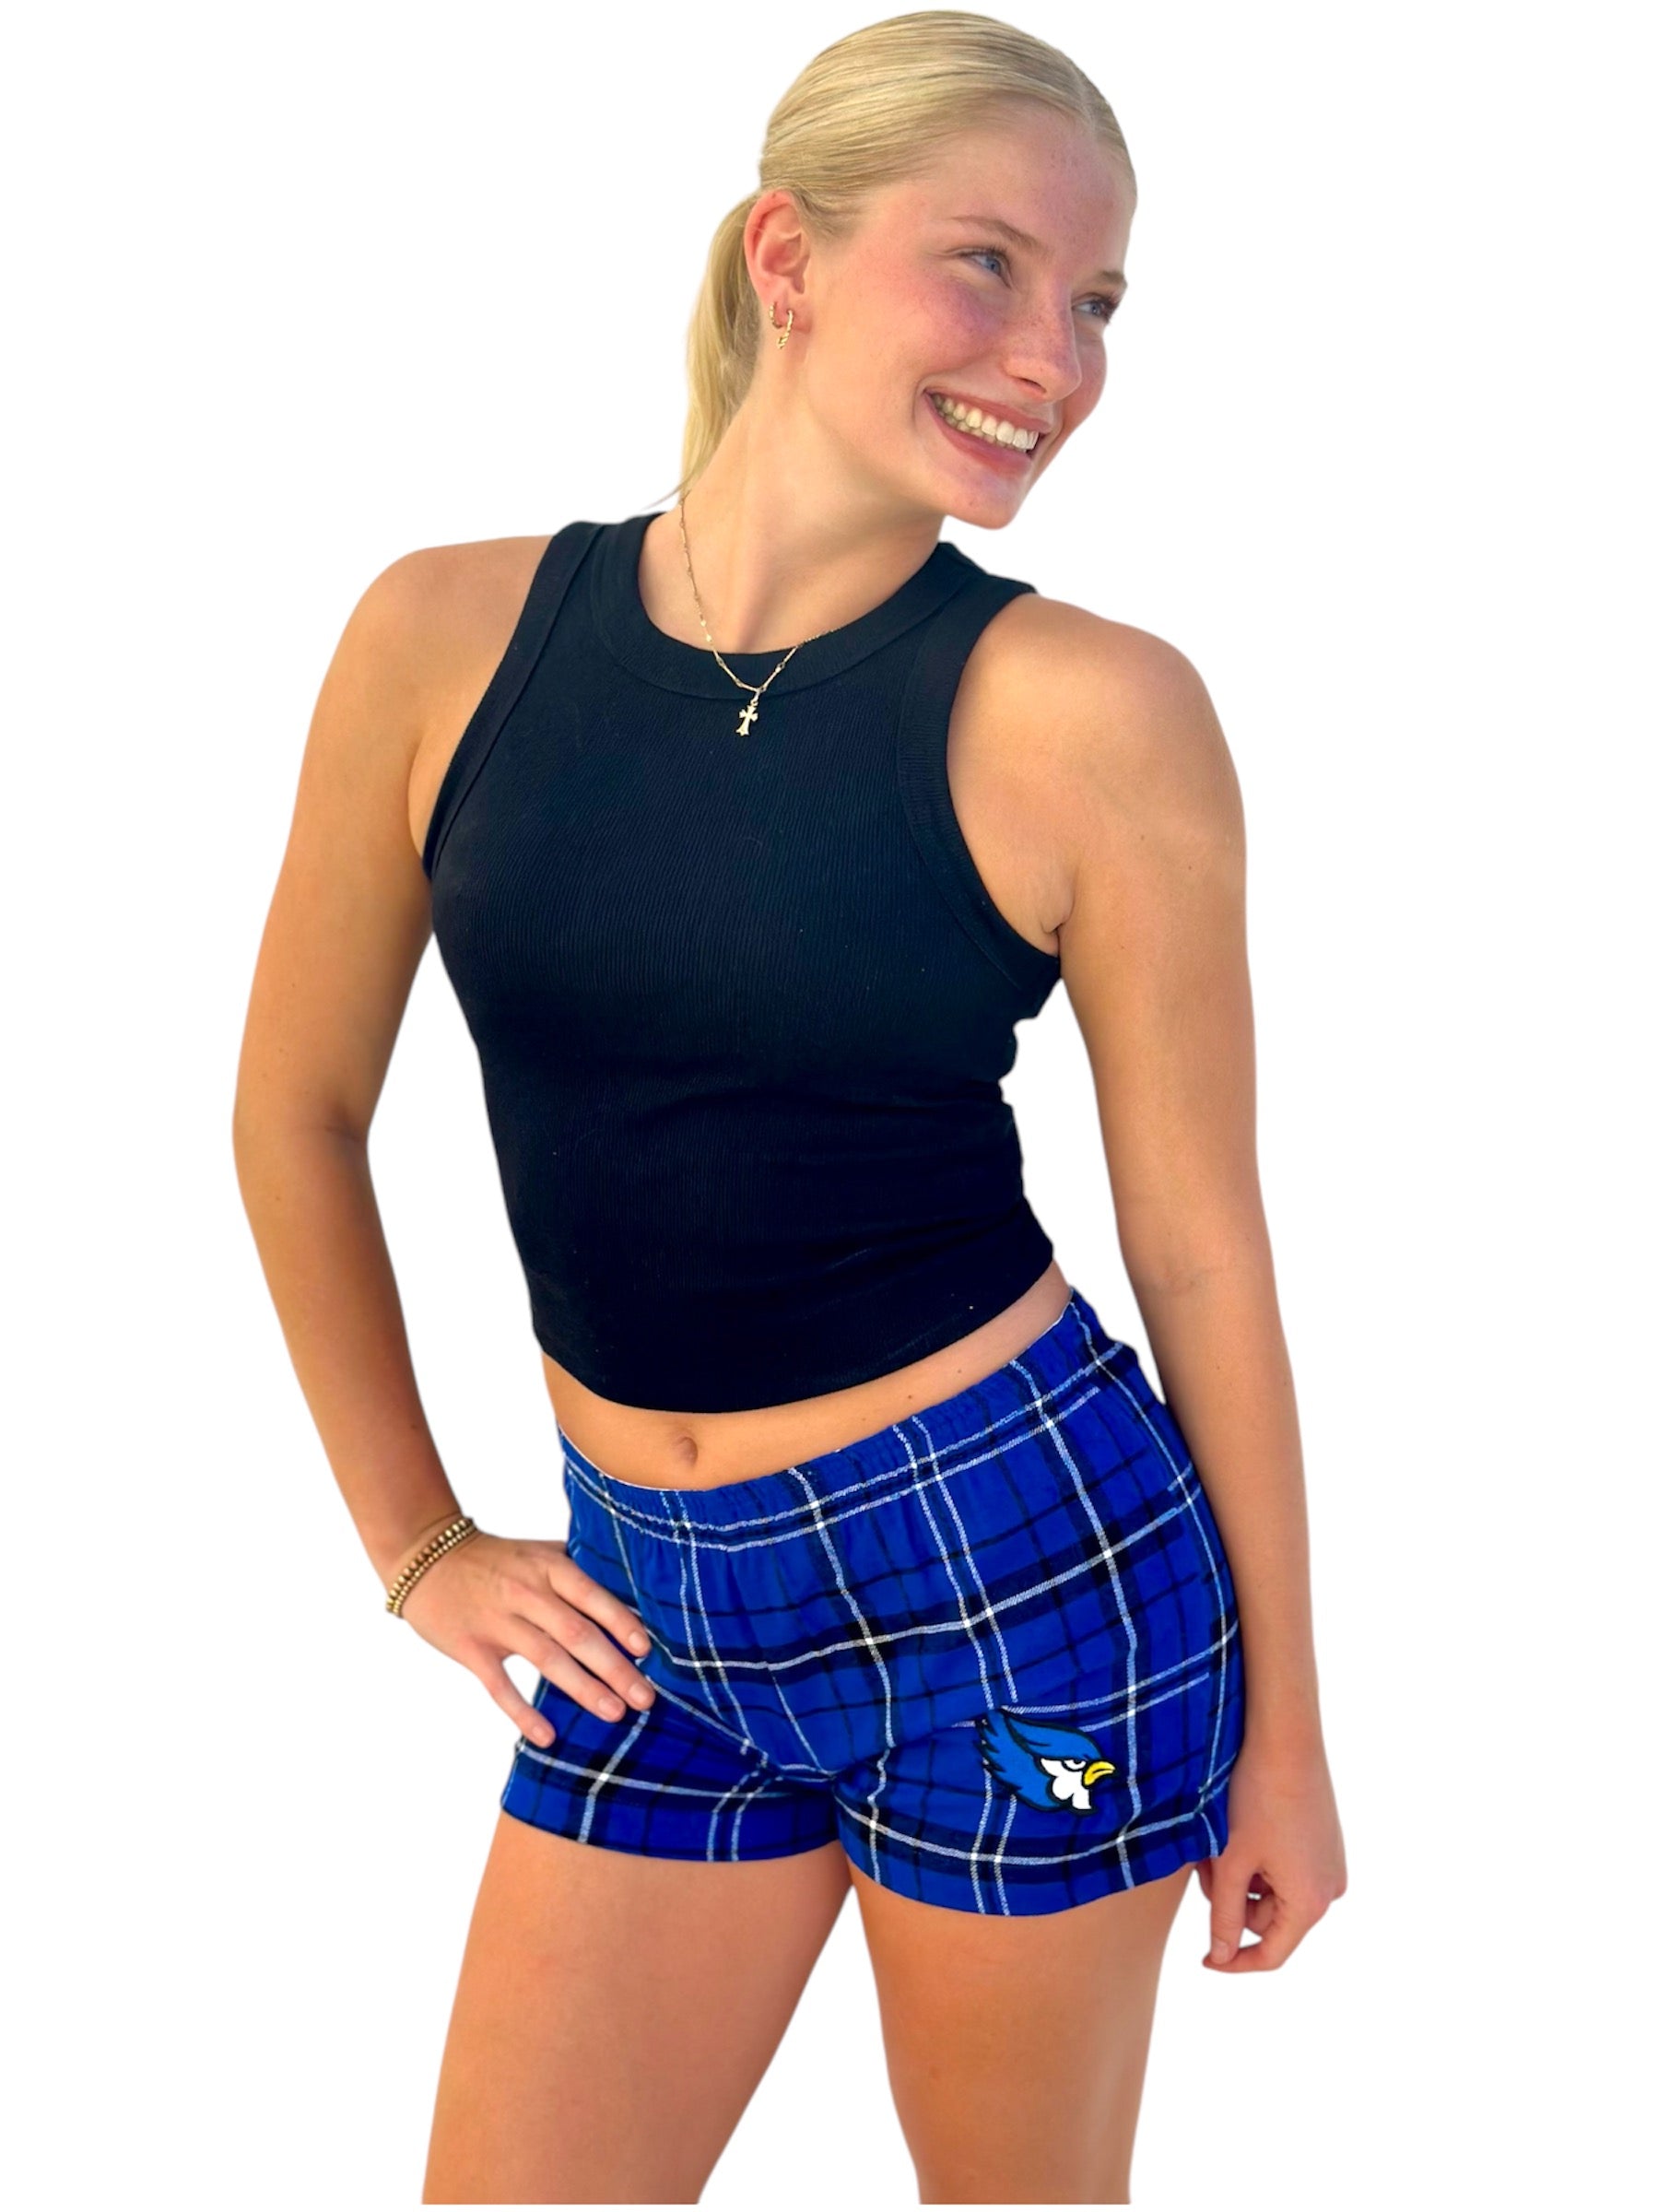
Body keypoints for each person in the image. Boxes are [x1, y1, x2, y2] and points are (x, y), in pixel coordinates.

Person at [232, 11, 1346, 2203]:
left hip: (1018, 1577)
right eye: (990, 265)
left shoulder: (1090, 711)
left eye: (1098, 301)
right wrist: (417, 1544)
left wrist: (1287, 1733)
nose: (1054, 357)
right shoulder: (446, 633)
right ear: (789, 256)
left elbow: (1203, 1245)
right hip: (647, 1604)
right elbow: (293, 1108)